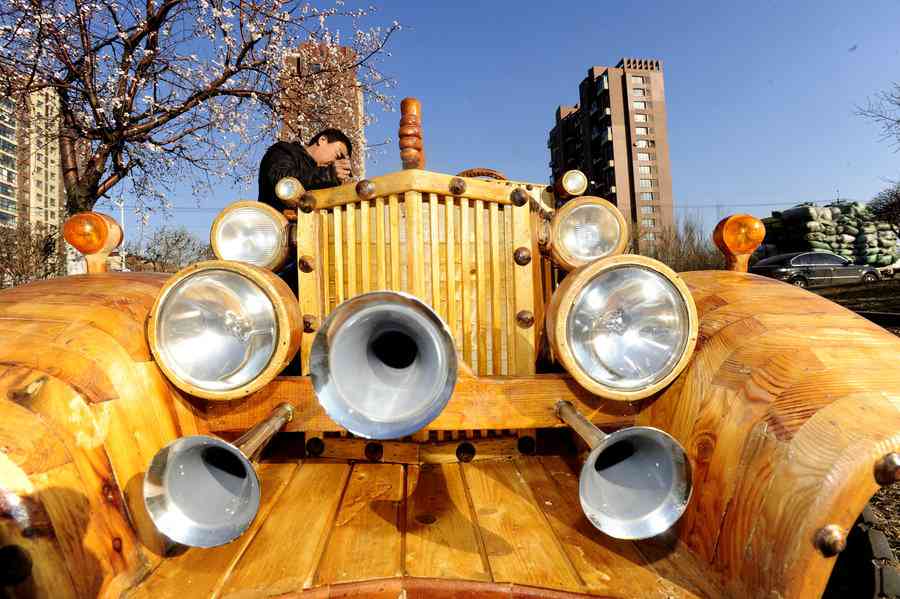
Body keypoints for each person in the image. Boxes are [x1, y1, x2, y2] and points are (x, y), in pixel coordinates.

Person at [257, 128, 353, 209]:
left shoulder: (325, 176)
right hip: (277, 226)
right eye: (337, 155)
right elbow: (282, 180)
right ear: (322, 140)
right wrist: (328, 174)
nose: (335, 162)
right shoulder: (284, 150)